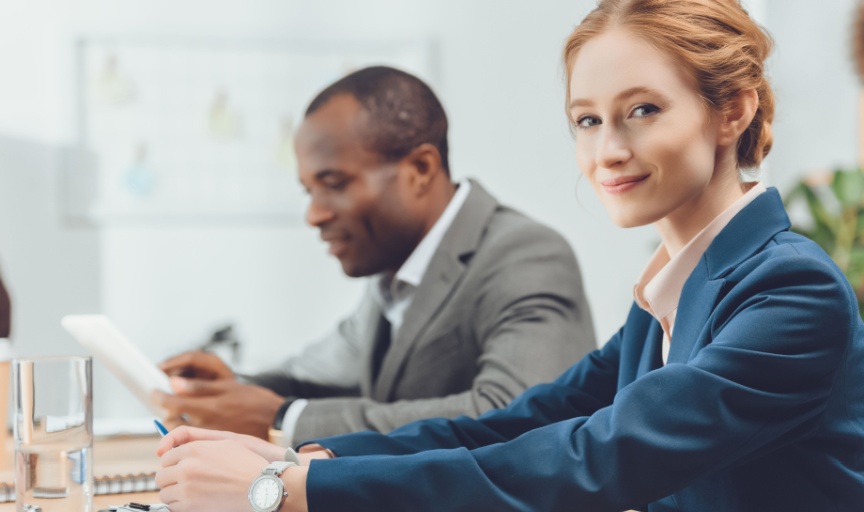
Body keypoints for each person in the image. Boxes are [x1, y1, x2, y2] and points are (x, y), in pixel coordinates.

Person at [154, 1, 864, 510]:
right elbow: (519, 422)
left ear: (731, 111)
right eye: (586, 120)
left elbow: (596, 458)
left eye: (642, 110)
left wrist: (288, 492)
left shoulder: (791, 291)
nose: (607, 150)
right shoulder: (667, 297)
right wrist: (297, 461)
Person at [155, 65, 597, 445]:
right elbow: (314, 373)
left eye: (335, 183)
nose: (313, 214)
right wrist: (231, 390)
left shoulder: (525, 253)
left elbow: (518, 415)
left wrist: (281, 418)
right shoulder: (395, 270)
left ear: (420, 170)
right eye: (309, 190)